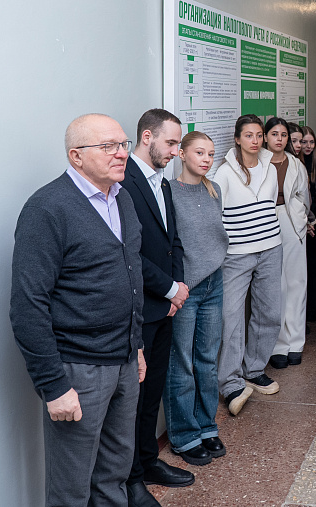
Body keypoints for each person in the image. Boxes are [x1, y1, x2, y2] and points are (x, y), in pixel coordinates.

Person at [11, 113, 145, 507]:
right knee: (70, 489)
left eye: (123, 144)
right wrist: (53, 385)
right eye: (108, 146)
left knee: (114, 477)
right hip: (79, 370)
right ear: (76, 156)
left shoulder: (122, 198)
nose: (121, 153)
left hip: (124, 362)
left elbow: (131, 276)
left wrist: (135, 344)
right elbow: (27, 305)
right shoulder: (47, 208)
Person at [121, 109, 194, 504]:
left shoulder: (163, 183)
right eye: (171, 143)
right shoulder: (123, 182)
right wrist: (168, 289)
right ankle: (131, 478)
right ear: (147, 137)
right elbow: (129, 252)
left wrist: (177, 288)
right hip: (142, 307)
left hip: (166, 304)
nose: (176, 151)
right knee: (134, 398)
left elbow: (172, 241)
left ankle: (149, 460)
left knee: (153, 393)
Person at [165, 131, 229, 467]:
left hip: (214, 284)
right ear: (181, 154)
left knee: (207, 359)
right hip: (185, 288)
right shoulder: (169, 192)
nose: (206, 159)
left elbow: (215, 238)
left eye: (211, 154)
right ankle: (184, 434)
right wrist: (176, 287)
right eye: (200, 152)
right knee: (182, 362)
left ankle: (206, 426)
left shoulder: (213, 189)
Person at [212, 115, 284, 416]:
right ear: (237, 139)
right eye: (248, 135)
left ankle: (253, 370)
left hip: (271, 248)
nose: (255, 140)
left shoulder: (270, 167)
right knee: (231, 318)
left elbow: (270, 205)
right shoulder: (224, 173)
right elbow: (216, 216)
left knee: (270, 313)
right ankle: (230, 383)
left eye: (258, 135)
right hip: (237, 254)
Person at [264, 117, 313, 369]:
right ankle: (278, 344)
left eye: (284, 135)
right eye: (275, 134)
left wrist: (302, 219)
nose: (280, 139)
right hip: (265, 221)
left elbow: (305, 197)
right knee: (276, 286)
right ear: (265, 137)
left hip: (292, 222)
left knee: (296, 283)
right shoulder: (258, 162)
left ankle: (296, 343)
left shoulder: (295, 164)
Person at [301, 126, 316, 322]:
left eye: (311, 142)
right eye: (303, 142)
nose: (307, 146)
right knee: (303, 268)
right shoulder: (296, 164)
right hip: (302, 223)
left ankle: (313, 307)